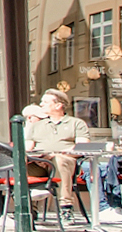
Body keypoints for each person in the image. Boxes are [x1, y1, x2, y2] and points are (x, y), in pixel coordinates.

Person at [26, 88, 91, 222]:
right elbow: (28, 148)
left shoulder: (76, 123)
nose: (41, 104)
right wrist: (36, 156)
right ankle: (28, 208)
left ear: (58, 105)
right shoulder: (37, 126)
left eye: (45, 102)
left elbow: (82, 146)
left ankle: (65, 207)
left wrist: (57, 154)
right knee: (21, 164)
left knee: (59, 160)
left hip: (64, 161)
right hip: (39, 162)